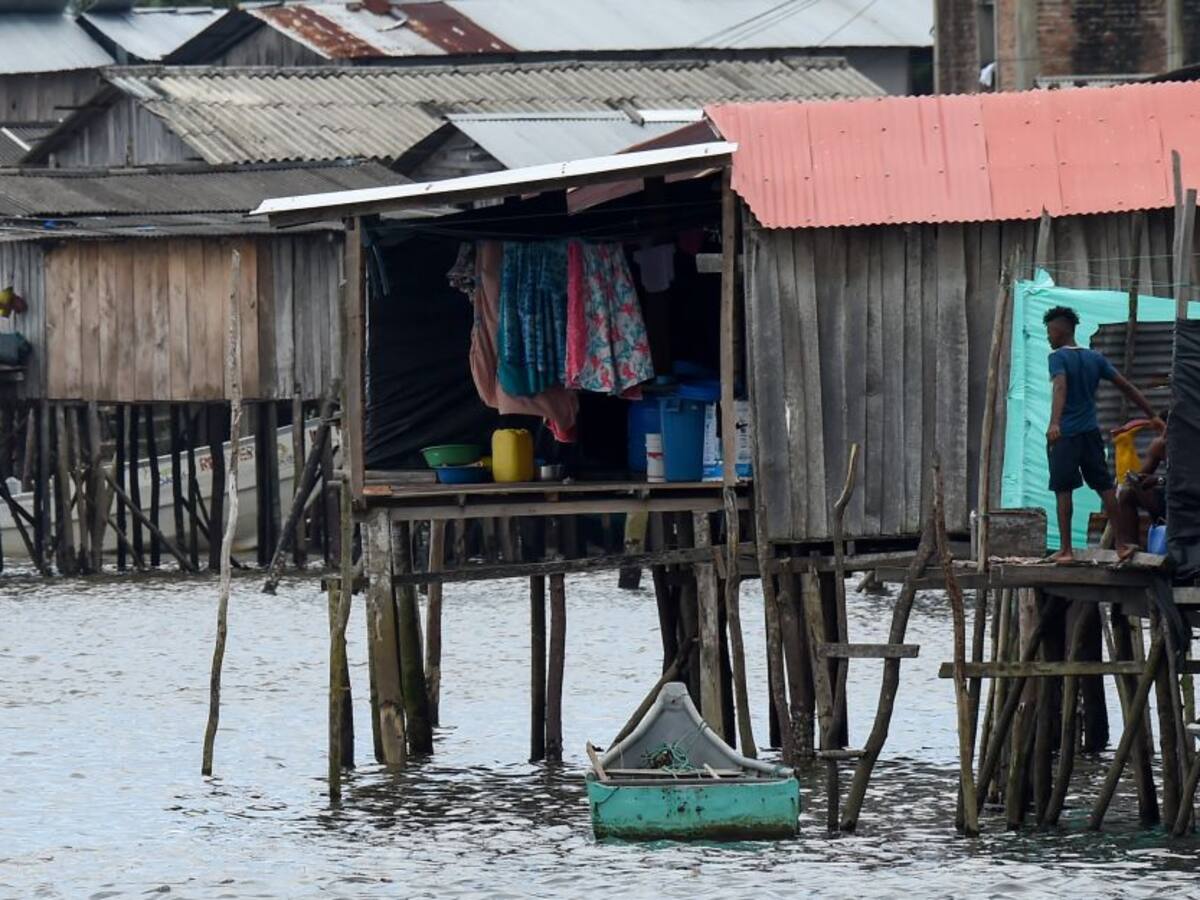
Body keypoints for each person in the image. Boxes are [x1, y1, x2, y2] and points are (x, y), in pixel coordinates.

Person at [1043, 305, 1164, 563]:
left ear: (1059, 330)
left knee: (1064, 489)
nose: (1048, 337)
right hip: (1090, 433)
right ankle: (1121, 544)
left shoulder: (1057, 358)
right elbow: (1127, 387)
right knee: (1105, 488)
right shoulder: (1095, 358)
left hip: (1066, 435)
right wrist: (1152, 414)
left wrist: (1055, 423)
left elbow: (1061, 387)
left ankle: (1065, 550)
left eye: (1049, 332)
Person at [1114, 411, 1168, 559]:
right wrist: (1137, 479)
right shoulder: (1160, 445)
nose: (1163, 435)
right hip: (1167, 498)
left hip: (1188, 501)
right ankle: (1131, 547)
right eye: (1161, 431)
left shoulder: (1191, 447)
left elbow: (1189, 482)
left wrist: (1159, 480)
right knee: (1127, 494)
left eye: (1166, 430)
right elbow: (1143, 475)